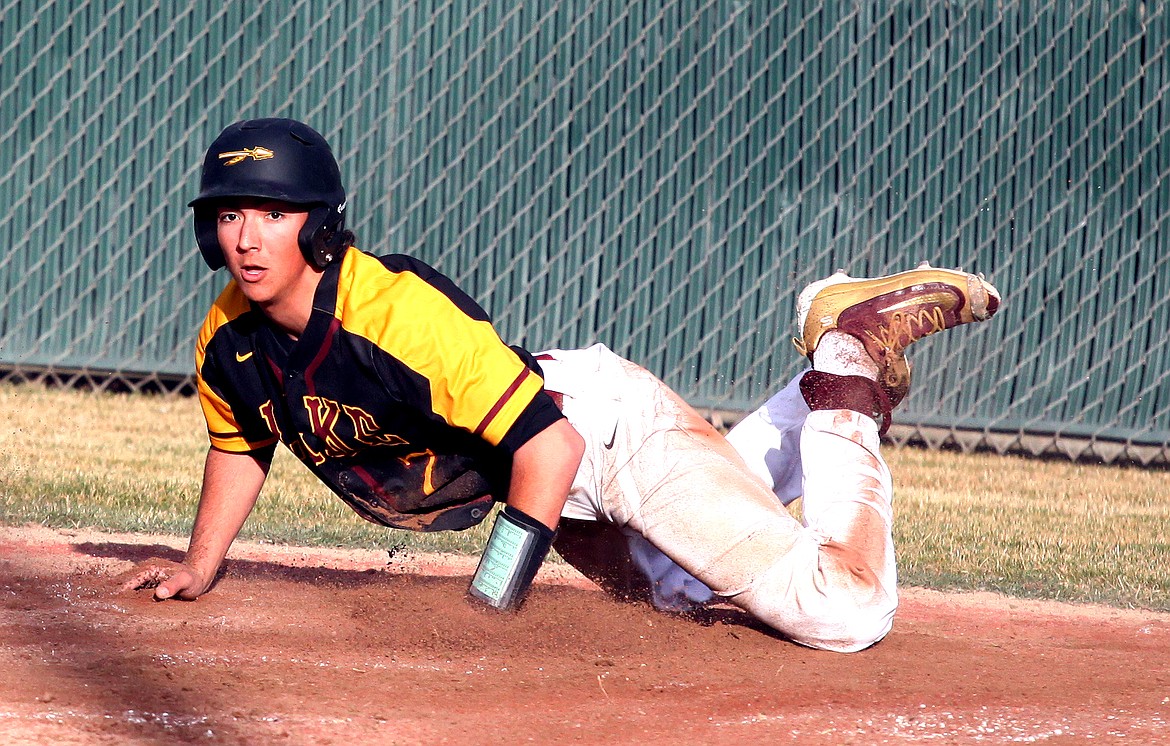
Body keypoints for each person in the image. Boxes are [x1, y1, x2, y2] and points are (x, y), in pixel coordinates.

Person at [123, 118, 1001, 653]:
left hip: (595, 434)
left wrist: (491, 599)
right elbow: (241, 442)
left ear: (319, 227)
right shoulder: (229, 340)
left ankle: (852, 358)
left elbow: (552, 445)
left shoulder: (392, 316)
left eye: (274, 214)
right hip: (550, 476)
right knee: (681, 600)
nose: (247, 237)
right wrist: (202, 565)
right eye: (230, 214)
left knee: (842, 614)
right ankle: (814, 380)